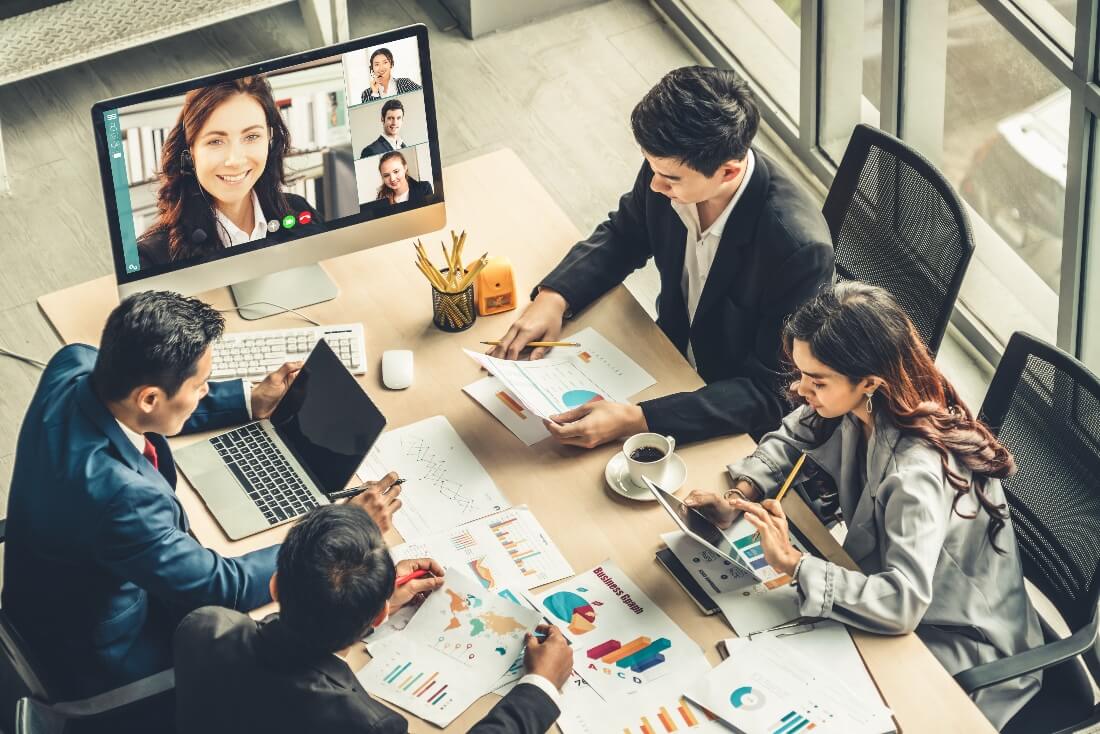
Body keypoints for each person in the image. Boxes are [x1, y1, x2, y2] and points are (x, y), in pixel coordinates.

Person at [1, 291, 404, 697]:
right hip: (102, 655)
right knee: (283, 655)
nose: (207, 392)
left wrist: (250, 399)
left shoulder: (73, 364)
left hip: (37, 595)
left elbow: (143, 412)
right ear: (150, 398)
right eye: (200, 385)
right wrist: (343, 534)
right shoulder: (121, 500)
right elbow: (221, 587)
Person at [684, 282, 1041, 729]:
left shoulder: (915, 475)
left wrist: (794, 564)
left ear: (868, 382)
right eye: (800, 373)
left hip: (954, 638)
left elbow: (903, 602)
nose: (801, 389)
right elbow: (792, 438)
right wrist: (740, 497)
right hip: (883, 591)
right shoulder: (860, 401)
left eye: (816, 381)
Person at [489, 66, 834, 448]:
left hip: (721, 409)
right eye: (651, 167)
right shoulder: (671, 166)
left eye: (669, 178)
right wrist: (555, 298)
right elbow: (625, 234)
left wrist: (640, 420)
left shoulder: (798, 250)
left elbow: (773, 391)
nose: (655, 184)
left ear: (728, 171)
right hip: (664, 355)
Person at [174, 504, 571, 733]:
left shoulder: (205, 626)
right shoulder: (366, 725)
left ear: (276, 586)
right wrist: (539, 689)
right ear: (383, 611)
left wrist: (358, 607)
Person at [137, 75, 323, 269]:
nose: (235, 161)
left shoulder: (299, 212)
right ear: (190, 151)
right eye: (215, 141)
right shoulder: (151, 258)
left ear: (270, 139)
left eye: (251, 136)